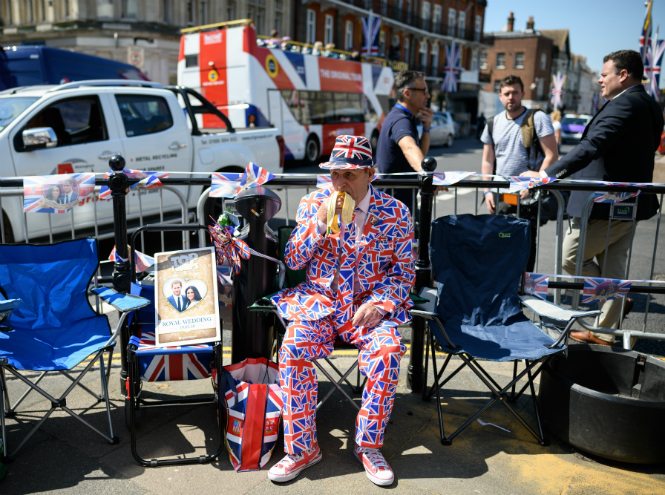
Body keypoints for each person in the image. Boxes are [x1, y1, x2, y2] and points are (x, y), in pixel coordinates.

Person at [268, 135, 414, 487]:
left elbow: (404, 271)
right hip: (319, 304)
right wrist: (318, 224)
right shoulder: (313, 203)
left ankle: (368, 446)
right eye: (335, 174)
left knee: (389, 351)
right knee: (292, 350)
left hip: (366, 308)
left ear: (370, 174)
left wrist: (380, 303)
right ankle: (302, 449)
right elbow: (294, 260)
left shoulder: (396, 213)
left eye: (348, 175)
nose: (340, 183)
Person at [521, 50, 664, 346]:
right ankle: (605, 329)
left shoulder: (625, 104)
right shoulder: (649, 103)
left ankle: (610, 312)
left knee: (571, 257)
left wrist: (549, 175)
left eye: (604, 74)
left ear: (623, 75)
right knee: (613, 267)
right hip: (629, 203)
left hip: (604, 204)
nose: (599, 79)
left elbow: (591, 146)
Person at [480, 74, 559, 272]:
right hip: (501, 195)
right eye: (506, 93)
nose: (511, 97)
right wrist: (487, 191)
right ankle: (503, 290)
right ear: (500, 96)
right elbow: (487, 160)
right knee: (500, 242)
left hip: (527, 196)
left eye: (515, 92)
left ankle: (524, 292)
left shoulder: (538, 118)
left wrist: (534, 183)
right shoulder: (493, 123)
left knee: (524, 246)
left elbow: (552, 156)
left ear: (522, 94)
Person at [376, 70, 433, 214]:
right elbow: (409, 148)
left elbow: (420, 156)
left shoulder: (405, 117)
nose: (428, 95)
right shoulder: (400, 120)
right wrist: (430, 178)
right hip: (394, 209)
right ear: (407, 93)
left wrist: (426, 130)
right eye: (423, 91)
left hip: (399, 204)